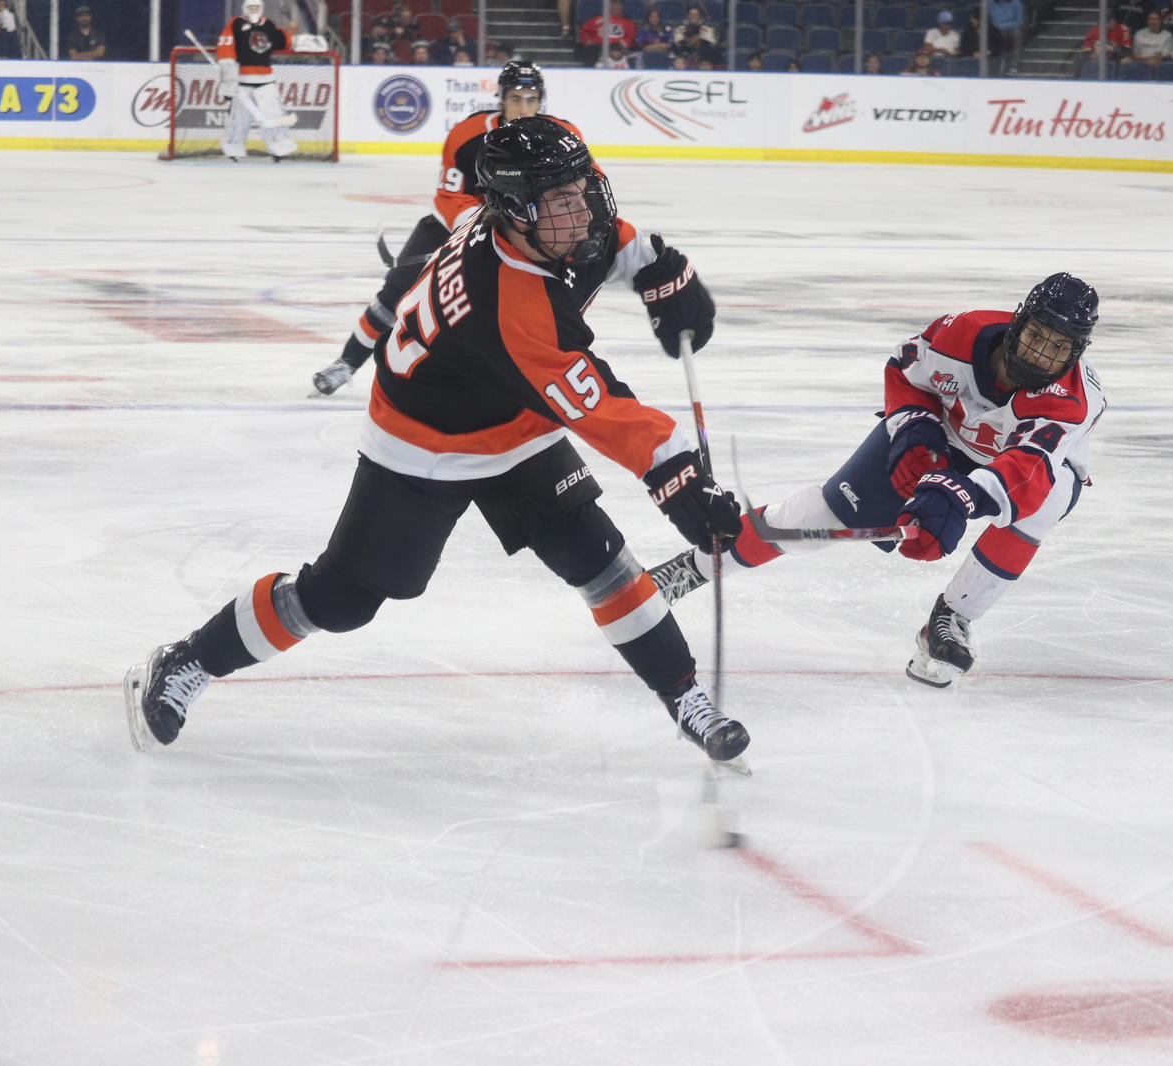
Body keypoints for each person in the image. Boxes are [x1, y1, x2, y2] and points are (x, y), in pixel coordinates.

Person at [126, 116, 750, 768]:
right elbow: (603, 407)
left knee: (602, 563)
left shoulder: (531, 229)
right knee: (342, 599)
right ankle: (188, 660)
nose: (581, 207)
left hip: (512, 421)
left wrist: (661, 271)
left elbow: (611, 241)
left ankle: (683, 697)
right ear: (512, 210)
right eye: (560, 198)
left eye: (581, 187)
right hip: (423, 444)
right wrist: (679, 478)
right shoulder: (512, 307)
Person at [647, 274, 1106, 690]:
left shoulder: (1071, 402)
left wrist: (957, 497)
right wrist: (914, 428)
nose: (1043, 354)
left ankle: (952, 617)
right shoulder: (960, 333)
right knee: (824, 513)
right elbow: (905, 370)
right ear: (1018, 323)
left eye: (1059, 347)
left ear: (1076, 352)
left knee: (1040, 508)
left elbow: (1026, 471)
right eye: (1036, 336)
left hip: (1024, 467)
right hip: (944, 434)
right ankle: (693, 567)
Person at [312, 63, 579, 397]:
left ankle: (523, 379)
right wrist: (475, 226)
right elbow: (448, 196)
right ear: (501, 99)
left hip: (521, 235)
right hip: (456, 225)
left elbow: (581, 190)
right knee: (397, 293)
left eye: (531, 98)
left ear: (542, 100)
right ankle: (347, 363)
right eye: (515, 98)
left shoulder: (562, 138)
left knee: (520, 305)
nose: (524, 107)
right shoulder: (468, 135)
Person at [217, 0, 297, 161]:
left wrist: (291, 33)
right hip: (242, 81)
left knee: (273, 116)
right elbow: (226, 51)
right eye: (250, 7)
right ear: (244, 8)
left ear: (261, 8)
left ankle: (278, 148)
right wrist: (229, 82)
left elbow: (282, 42)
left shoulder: (268, 24)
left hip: (265, 80)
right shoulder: (236, 23)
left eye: (256, 7)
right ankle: (233, 148)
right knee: (239, 119)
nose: (253, 10)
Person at [578, 0, 636, 66]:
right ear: (608, 6)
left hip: (617, 46)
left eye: (619, 4)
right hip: (598, 46)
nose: (617, 6)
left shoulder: (627, 22)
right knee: (590, 49)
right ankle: (590, 72)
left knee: (616, 49)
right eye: (614, 4)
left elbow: (630, 37)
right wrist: (588, 40)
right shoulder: (596, 19)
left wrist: (620, 45)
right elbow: (585, 31)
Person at [988, 0, 1025, 73]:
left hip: (1010, 28)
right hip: (995, 29)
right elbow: (990, 20)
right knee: (1000, 34)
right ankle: (1000, 61)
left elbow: (1019, 22)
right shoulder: (991, 3)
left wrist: (1003, 26)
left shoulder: (1016, 3)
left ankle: (1014, 63)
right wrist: (997, 27)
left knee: (1016, 34)